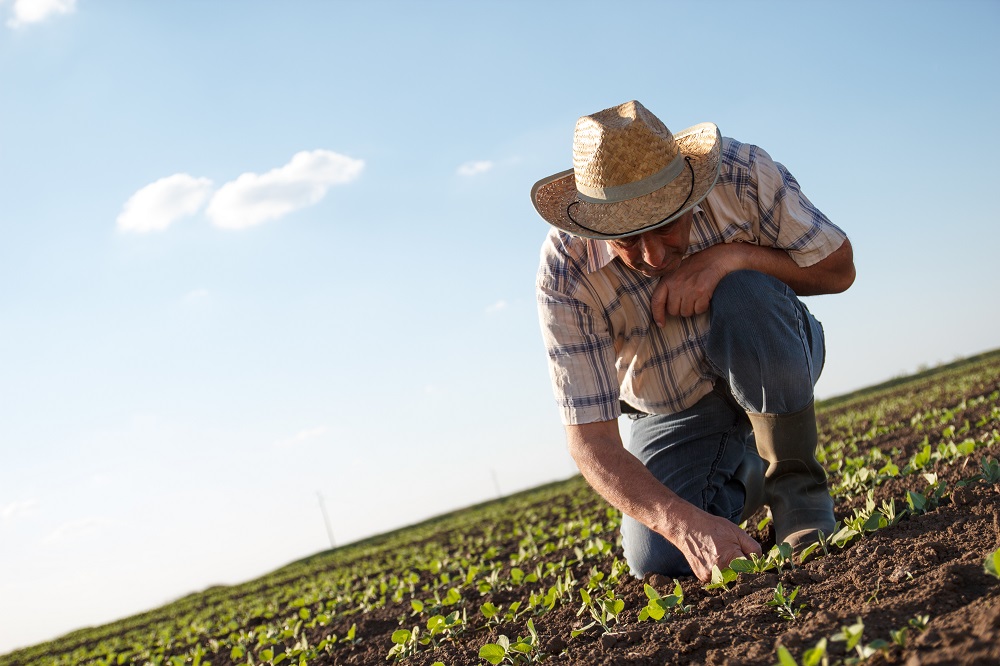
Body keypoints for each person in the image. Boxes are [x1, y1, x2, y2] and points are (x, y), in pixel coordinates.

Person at [532, 100, 855, 582]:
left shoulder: (741, 174)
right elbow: (589, 439)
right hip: (672, 408)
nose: (653, 256)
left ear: (688, 191)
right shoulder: (566, 272)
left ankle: (798, 495)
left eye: (664, 226)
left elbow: (839, 269)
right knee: (658, 558)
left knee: (743, 292)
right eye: (627, 240)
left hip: (773, 351)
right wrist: (682, 524)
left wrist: (732, 257)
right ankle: (750, 477)